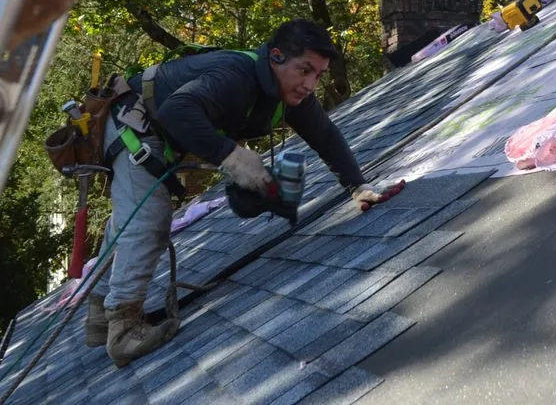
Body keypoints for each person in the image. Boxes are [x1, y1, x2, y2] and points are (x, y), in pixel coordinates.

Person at [86, 19, 392, 367]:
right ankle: (123, 329)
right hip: (132, 121)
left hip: (152, 126)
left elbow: (325, 135)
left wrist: (358, 187)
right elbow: (176, 111)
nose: (310, 84)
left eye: (319, 75)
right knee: (149, 217)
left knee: (131, 219)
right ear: (275, 57)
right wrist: (231, 157)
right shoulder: (237, 75)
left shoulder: (289, 92)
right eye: (304, 70)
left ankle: (99, 316)